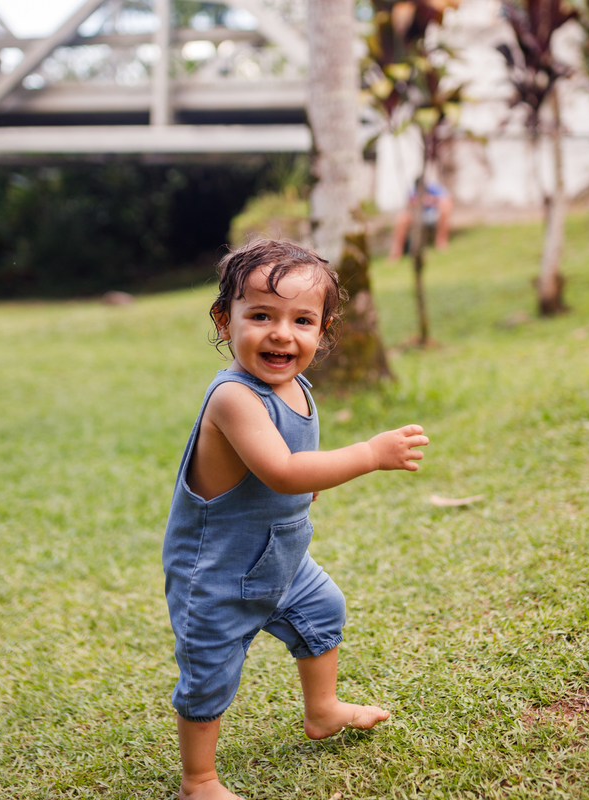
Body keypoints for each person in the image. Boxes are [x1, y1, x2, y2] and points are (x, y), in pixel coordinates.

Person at [163, 239, 430, 799]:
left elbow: (291, 469)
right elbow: (283, 470)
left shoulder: (295, 387)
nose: (282, 333)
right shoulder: (234, 397)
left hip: (280, 557)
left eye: (302, 320)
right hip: (216, 571)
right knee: (211, 673)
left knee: (323, 609)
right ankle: (199, 781)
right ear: (224, 319)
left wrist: (306, 494)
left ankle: (323, 709)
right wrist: (370, 454)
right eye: (260, 315)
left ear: (323, 330)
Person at [389, 181, 454, 260]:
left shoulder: (433, 188)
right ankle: (396, 253)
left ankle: (441, 243)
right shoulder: (413, 192)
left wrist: (429, 201)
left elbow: (446, 200)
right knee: (401, 218)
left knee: (445, 209)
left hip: (434, 214)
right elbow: (409, 207)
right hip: (418, 217)